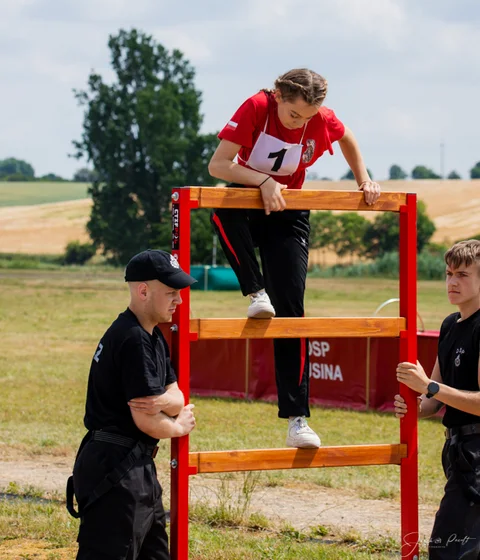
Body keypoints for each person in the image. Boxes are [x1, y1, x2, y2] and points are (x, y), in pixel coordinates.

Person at [208, 68, 380, 449]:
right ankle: (256, 293)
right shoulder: (257, 106)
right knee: (219, 211)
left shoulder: (322, 118)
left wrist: (363, 179)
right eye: (292, 115)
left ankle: (297, 420)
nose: (299, 123)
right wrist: (265, 181)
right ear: (279, 95)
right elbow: (217, 165)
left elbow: (346, 136)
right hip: (248, 200)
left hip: (288, 212)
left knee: (292, 314)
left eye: (307, 118)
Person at [67, 249, 197, 560]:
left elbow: (176, 395)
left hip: (136, 467)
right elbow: (146, 420)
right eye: (170, 292)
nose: (177, 300)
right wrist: (177, 427)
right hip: (117, 468)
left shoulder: (152, 337)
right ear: (143, 291)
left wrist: (160, 401)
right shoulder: (133, 338)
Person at [395, 239, 480, 559]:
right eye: (448, 273)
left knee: (446, 548)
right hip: (458, 451)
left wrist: (428, 386)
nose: (452, 282)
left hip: (476, 454)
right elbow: (435, 398)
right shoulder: (449, 324)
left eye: (463, 275)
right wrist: (414, 405)